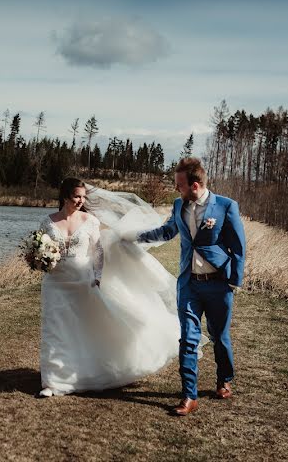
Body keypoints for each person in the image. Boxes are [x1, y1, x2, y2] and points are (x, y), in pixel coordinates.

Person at [37, 178, 179, 397]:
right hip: (55, 282)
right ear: (65, 196)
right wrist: (39, 260)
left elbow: (98, 252)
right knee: (55, 330)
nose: (80, 201)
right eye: (76, 196)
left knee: (82, 329)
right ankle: (53, 382)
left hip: (82, 280)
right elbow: (39, 249)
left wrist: (97, 276)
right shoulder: (47, 222)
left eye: (83, 197)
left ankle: (82, 372)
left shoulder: (90, 221)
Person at [127, 157, 246, 416]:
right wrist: (136, 236)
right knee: (188, 340)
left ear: (194, 185)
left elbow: (238, 247)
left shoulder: (226, 206)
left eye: (179, 185)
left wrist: (234, 281)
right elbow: (168, 231)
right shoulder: (180, 204)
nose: (176, 189)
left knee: (219, 337)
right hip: (189, 284)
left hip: (218, 285)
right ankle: (189, 396)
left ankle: (224, 380)